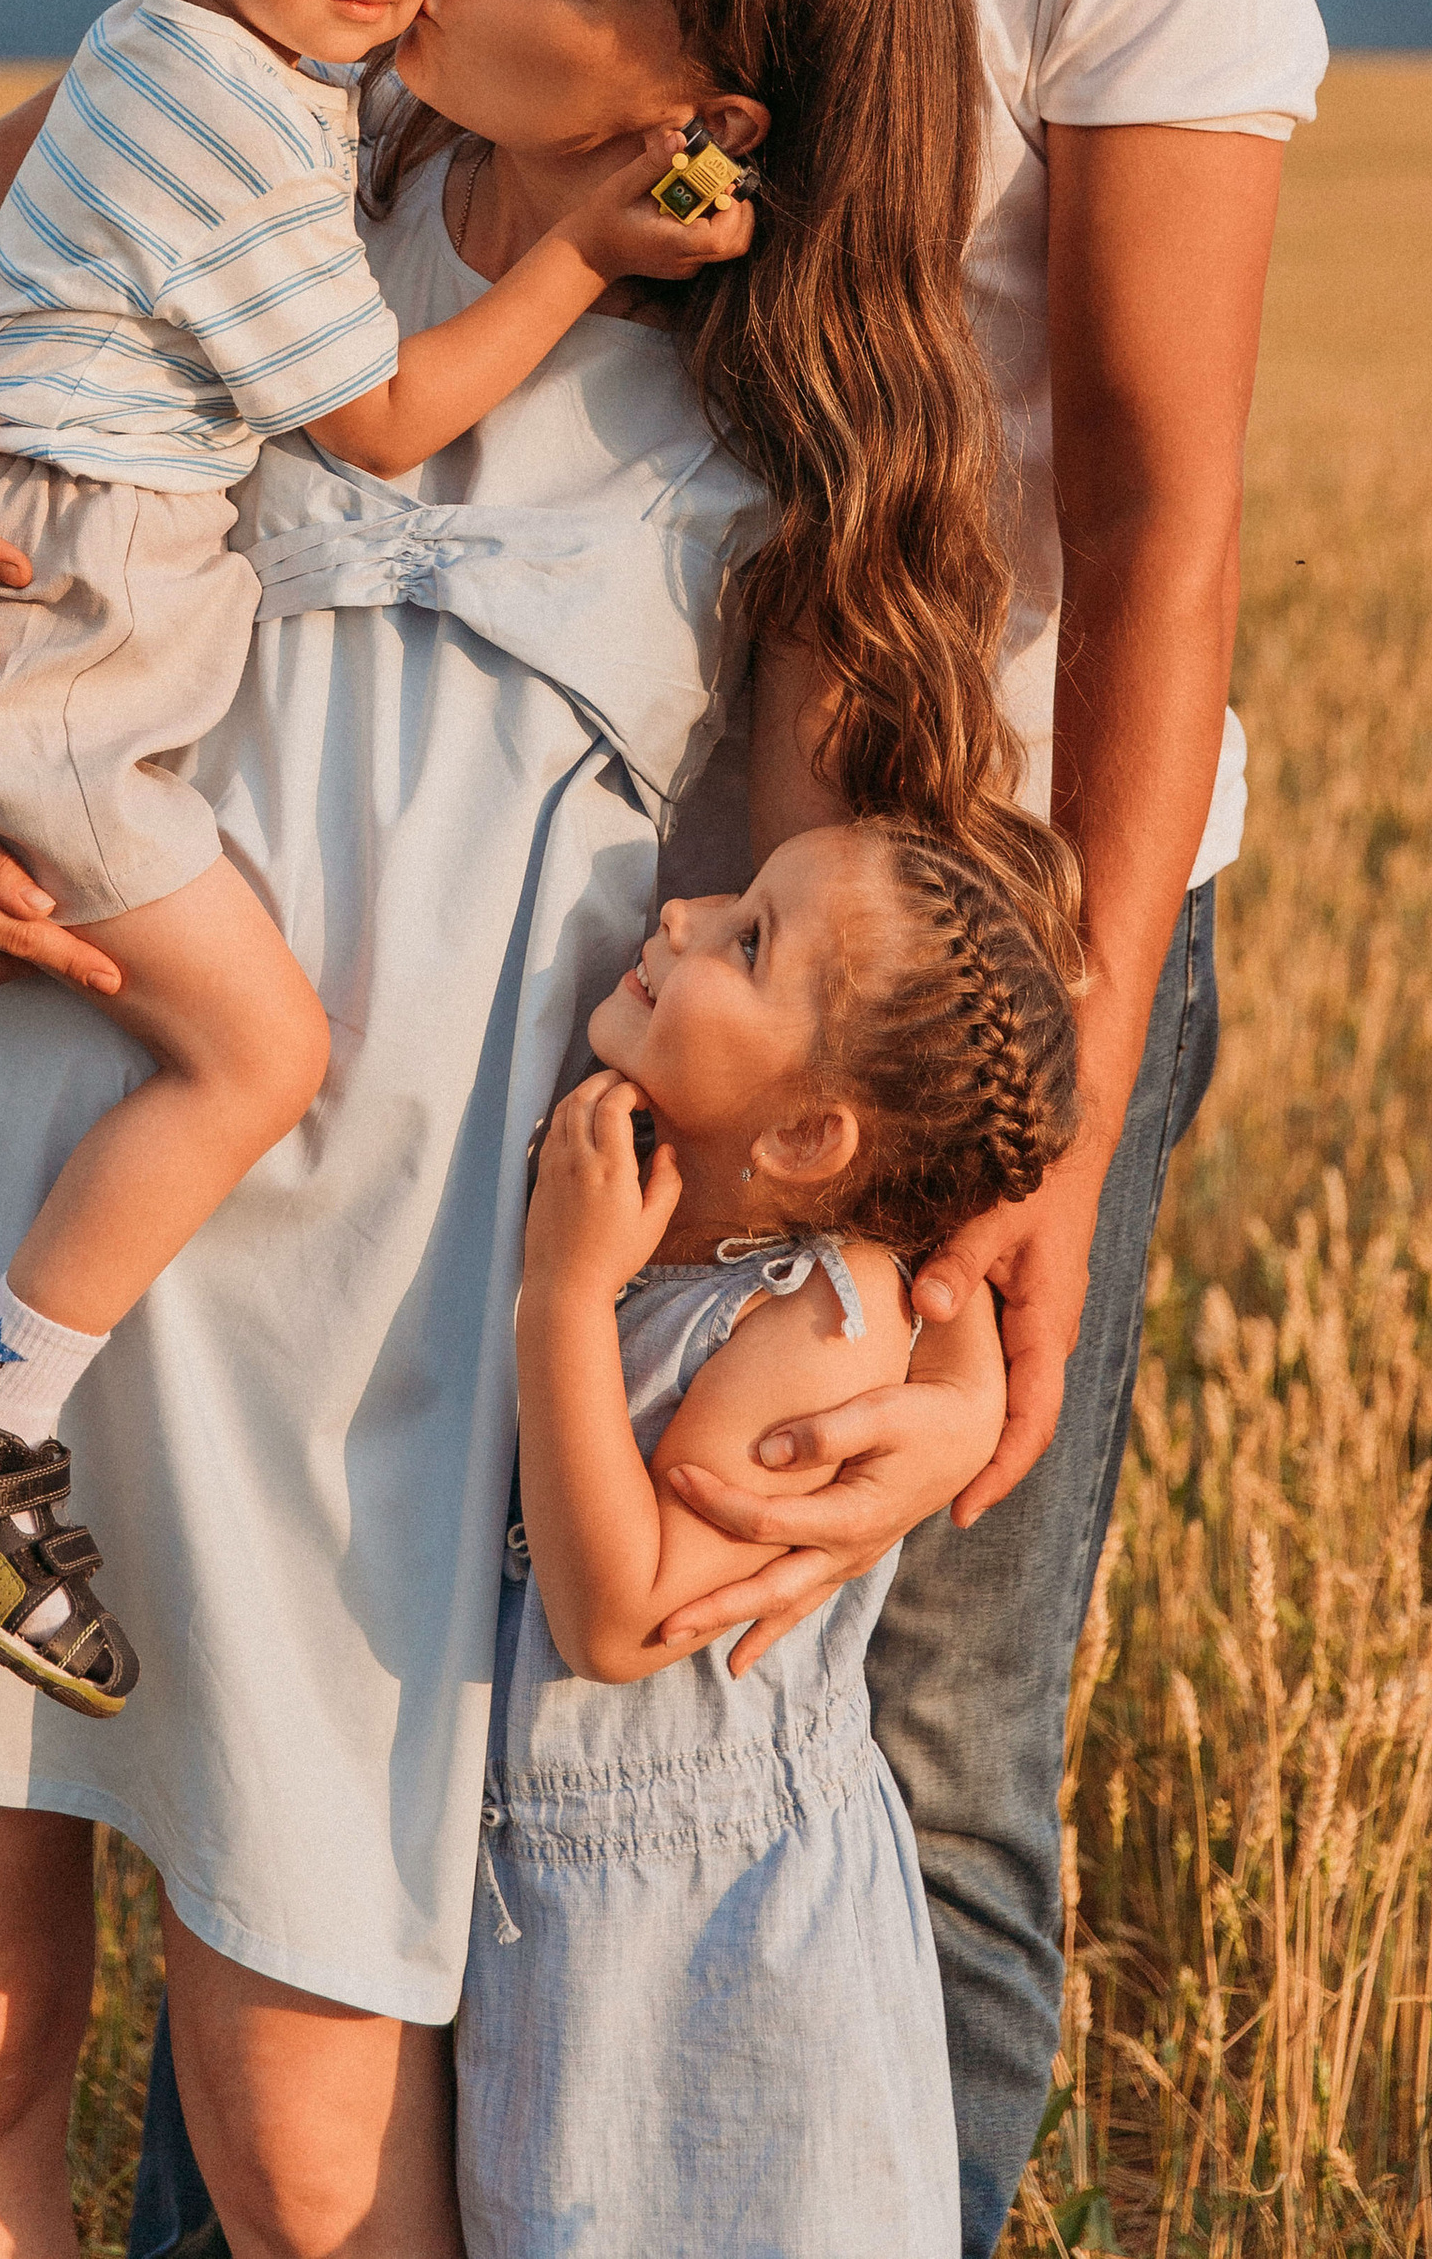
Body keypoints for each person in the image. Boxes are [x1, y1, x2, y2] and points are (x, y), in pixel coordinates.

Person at [0, 0, 1329, 2254]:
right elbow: (146, 129)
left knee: (884, 1713)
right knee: (353, 1735)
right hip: (457, 920)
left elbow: (1156, 535)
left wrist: (1015, 1143)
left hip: (920, 895)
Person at [0, 0, 1023, 2259]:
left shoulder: (781, 462)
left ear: (706, 124)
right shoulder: (238, 156)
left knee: (310, 2167)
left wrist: (941, 1351)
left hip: (370, 1345)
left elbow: (841, 1030)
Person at [0, 0, 743, 1716]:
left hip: (60, 628)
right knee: (260, 1055)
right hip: (51, 643)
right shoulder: (216, 118)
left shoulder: (222, 71)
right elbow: (386, 419)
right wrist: (584, 249)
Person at [460, 827, 1078, 2259]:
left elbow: (620, 1620)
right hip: (564, 1921)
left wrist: (565, 1294)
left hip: (720, 1952)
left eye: (746, 938)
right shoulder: (653, 1230)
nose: (681, 910)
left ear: (806, 1140)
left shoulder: (815, 1320)